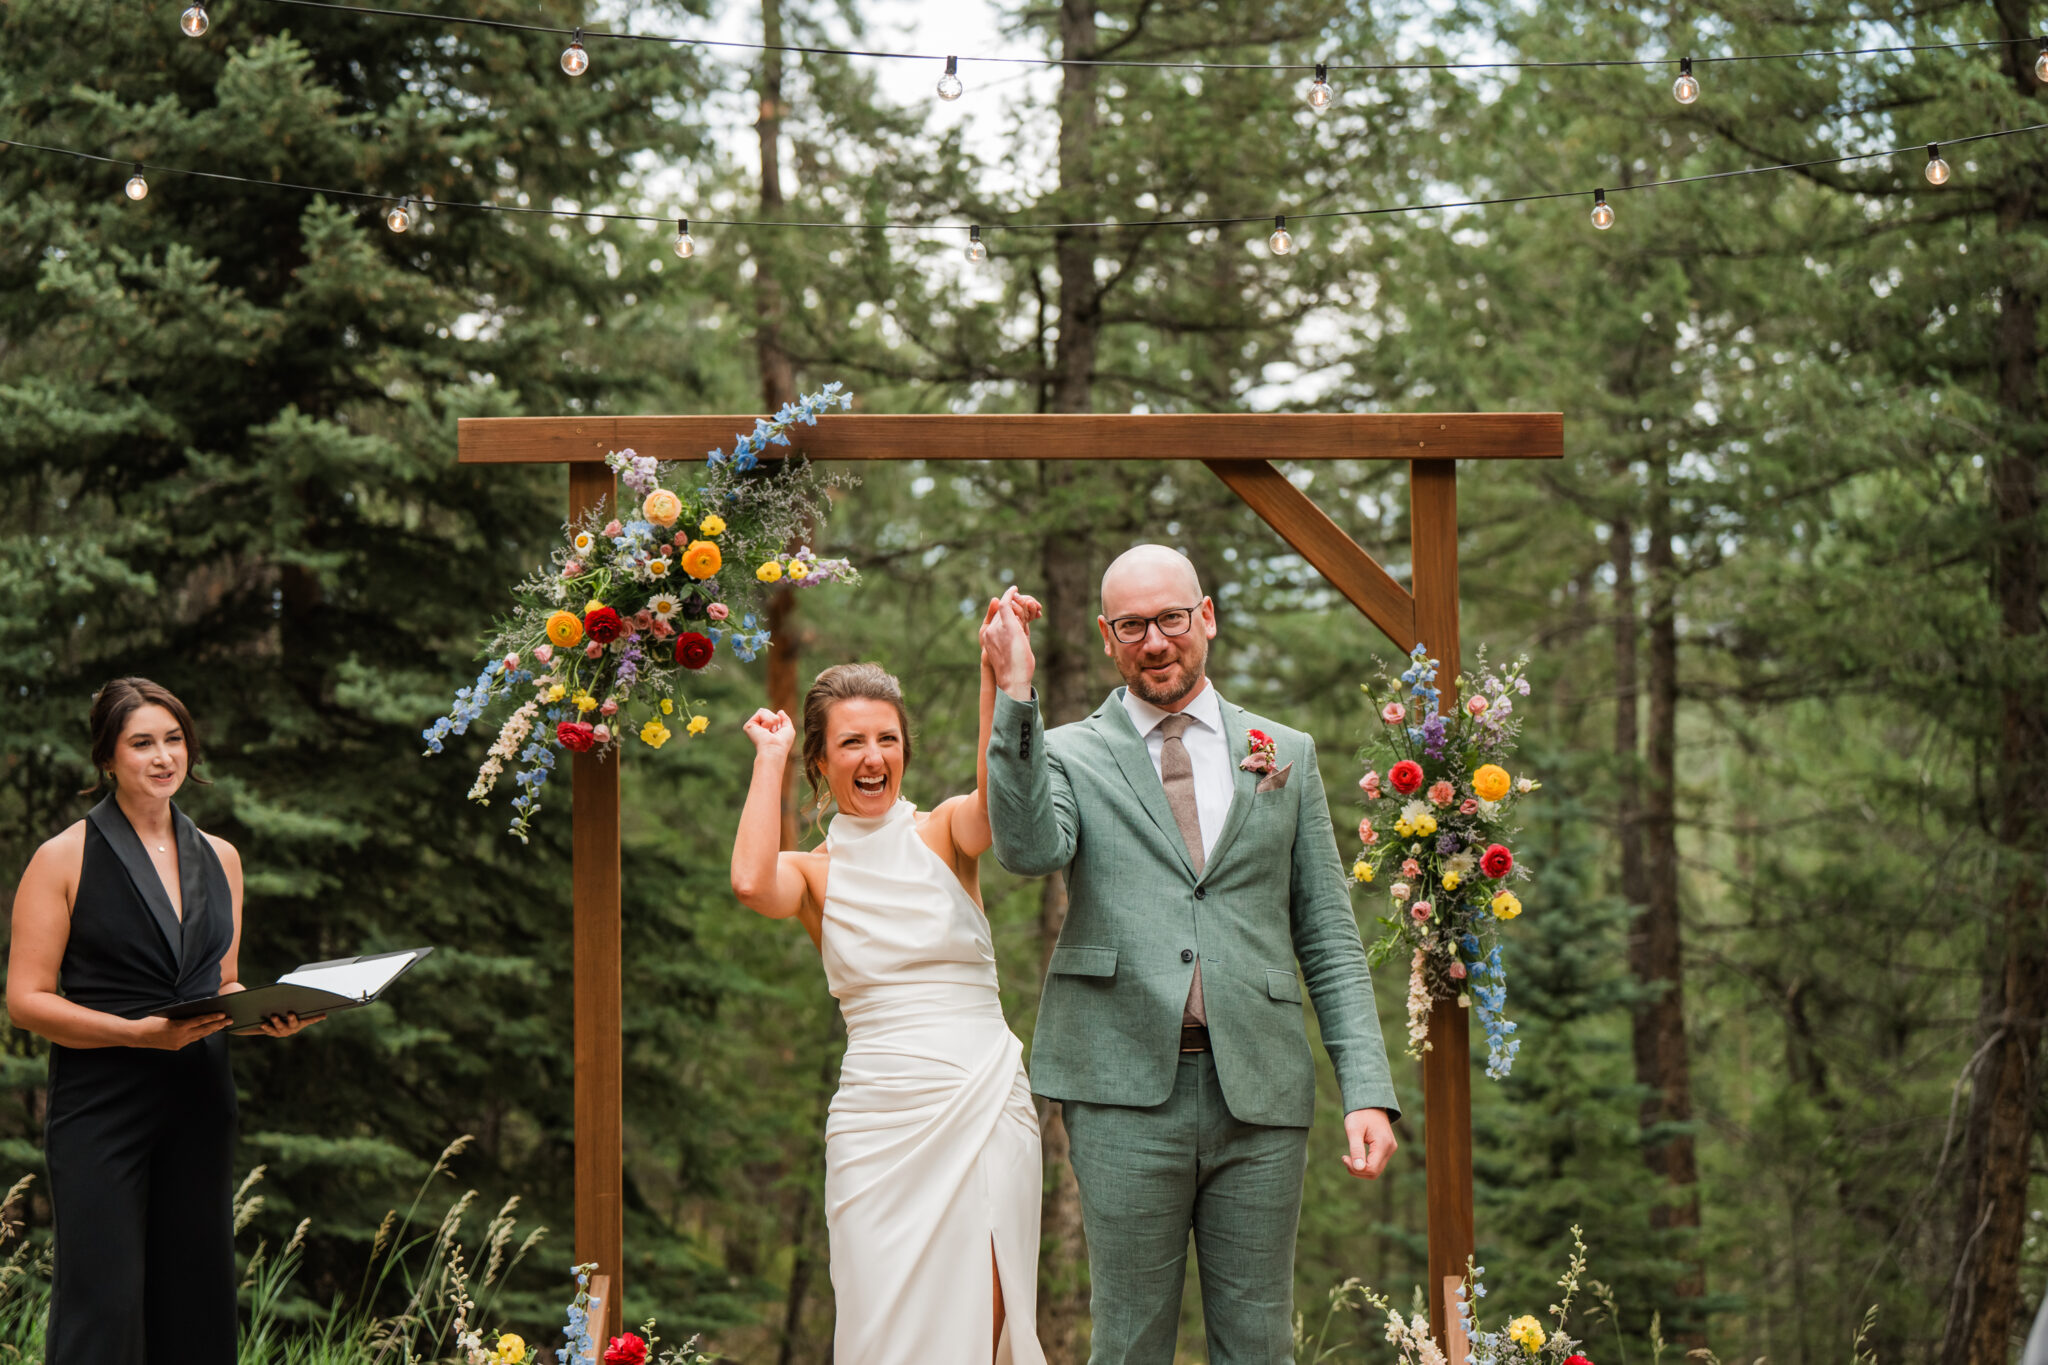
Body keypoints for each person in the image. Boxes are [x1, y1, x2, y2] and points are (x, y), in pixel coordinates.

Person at [980, 546, 1402, 1365]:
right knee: (1130, 1339)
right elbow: (1028, 849)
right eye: (1132, 625)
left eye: (1171, 618)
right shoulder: (1067, 750)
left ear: (1205, 616)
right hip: (1121, 1089)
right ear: (1108, 636)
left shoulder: (1286, 752)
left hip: (1261, 1092)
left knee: (1258, 1344)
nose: (1155, 640)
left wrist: (1368, 1090)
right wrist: (1016, 694)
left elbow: (1328, 932)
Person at [729, 649, 1046, 1365]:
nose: (873, 757)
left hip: (984, 1098)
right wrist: (768, 756)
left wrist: (994, 676)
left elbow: (996, 806)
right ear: (821, 761)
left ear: (903, 751)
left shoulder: (943, 833)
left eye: (887, 740)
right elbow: (750, 880)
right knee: (882, 1332)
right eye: (851, 742)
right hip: (878, 1125)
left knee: (984, 1321)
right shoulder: (814, 874)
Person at [6, 678, 321, 1365]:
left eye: (173, 739)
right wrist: (135, 1032)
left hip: (200, 1100)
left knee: (197, 1295)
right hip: (101, 1103)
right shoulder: (62, 857)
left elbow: (222, 982)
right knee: (104, 1300)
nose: (163, 756)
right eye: (142, 742)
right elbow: (25, 999)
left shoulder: (223, 857)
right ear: (107, 757)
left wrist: (264, 1016)